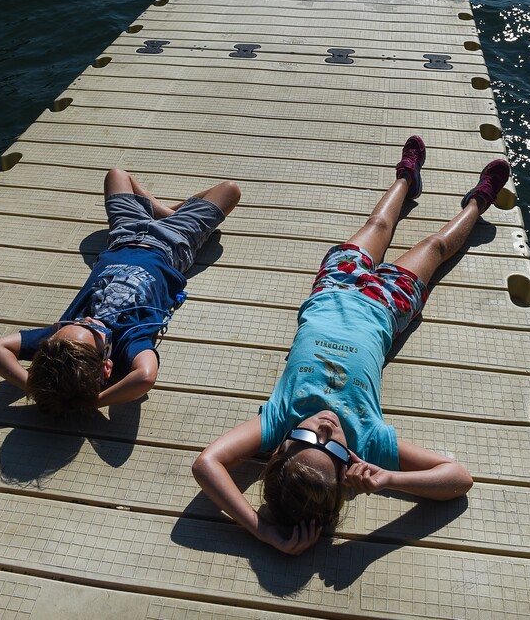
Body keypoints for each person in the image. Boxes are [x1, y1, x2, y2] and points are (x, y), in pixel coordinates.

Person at [193, 138, 510, 554]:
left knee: (378, 225)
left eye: (309, 442)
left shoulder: (279, 421)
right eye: (334, 447)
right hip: (385, 306)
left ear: (282, 450)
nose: (325, 429)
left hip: (333, 288)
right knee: (435, 247)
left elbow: (206, 464)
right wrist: (390, 478)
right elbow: (458, 478)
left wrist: (261, 530)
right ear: (348, 466)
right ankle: (476, 205)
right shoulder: (367, 441)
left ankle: (405, 179)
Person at [0, 169, 241, 414]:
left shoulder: (59, 342)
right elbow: (145, 377)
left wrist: (40, 389)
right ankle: (166, 214)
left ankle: (162, 211)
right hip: (172, 242)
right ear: (107, 365)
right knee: (230, 189)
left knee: (116, 174)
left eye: (72, 322)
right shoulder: (128, 342)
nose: (87, 319)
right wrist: (93, 401)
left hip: (123, 235)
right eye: (94, 329)